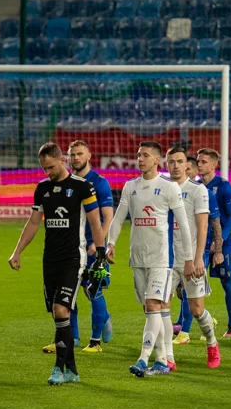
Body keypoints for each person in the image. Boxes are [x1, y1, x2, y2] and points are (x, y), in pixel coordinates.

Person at [8, 143, 107, 385]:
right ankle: (72, 370)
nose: (47, 172)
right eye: (43, 168)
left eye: (50, 167)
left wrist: (102, 253)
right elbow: (33, 223)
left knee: (61, 309)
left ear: (62, 160)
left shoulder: (82, 186)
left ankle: (58, 369)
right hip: (49, 259)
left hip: (74, 258)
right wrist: (17, 251)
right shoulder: (42, 189)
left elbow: (95, 222)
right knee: (57, 314)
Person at [107, 141, 195, 378]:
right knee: (154, 312)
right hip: (137, 258)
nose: (140, 159)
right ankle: (164, 360)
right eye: (138, 155)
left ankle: (143, 358)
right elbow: (118, 218)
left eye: (145, 155)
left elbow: (184, 225)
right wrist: (111, 242)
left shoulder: (169, 187)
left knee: (154, 306)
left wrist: (188, 258)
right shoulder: (130, 186)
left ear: (157, 160)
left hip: (161, 259)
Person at [165, 146, 221, 368]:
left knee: (197, 310)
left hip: (191, 258)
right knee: (160, 308)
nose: (176, 166)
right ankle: (167, 357)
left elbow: (203, 225)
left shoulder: (199, 191)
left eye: (180, 161)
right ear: (167, 164)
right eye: (172, 162)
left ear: (187, 166)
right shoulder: (162, 188)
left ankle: (212, 343)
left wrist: (198, 259)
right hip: (167, 260)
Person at [68, 140, 115, 352]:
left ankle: (97, 335)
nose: (75, 158)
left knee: (93, 290)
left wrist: (98, 244)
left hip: (92, 247)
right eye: (72, 154)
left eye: (79, 154)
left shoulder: (99, 182)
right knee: (70, 292)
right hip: (71, 246)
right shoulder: (66, 181)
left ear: (89, 156)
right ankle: (74, 337)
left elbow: (108, 217)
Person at [197, 148, 231, 338]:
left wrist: (220, 240)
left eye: (204, 161)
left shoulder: (223, 186)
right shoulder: (196, 186)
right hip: (200, 243)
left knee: (227, 281)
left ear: (214, 165)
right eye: (198, 161)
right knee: (191, 280)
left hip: (223, 242)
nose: (199, 164)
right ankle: (186, 324)